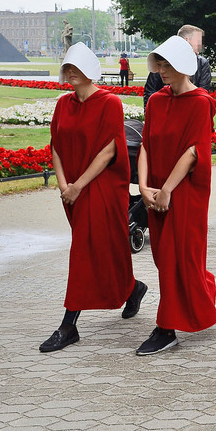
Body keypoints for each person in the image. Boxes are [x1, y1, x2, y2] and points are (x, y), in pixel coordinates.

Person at [40, 42, 147, 353]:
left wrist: (79, 185)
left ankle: (68, 325)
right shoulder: (63, 104)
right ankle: (132, 289)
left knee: (84, 251)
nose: (70, 72)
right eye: (66, 68)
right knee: (104, 248)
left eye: (75, 68)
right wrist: (64, 185)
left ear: (89, 71)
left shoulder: (109, 103)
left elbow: (110, 150)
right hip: (72, 189)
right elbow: (56, 146)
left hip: (101, 187)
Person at [136, 35, 216, 354]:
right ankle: (202, 293)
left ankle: (166, 328)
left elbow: (194, 152)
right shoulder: (156, 100)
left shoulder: (200, 103)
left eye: (168, 64)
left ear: (184, 66)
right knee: (165, 258)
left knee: (174, 257)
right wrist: (144, 187)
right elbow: (145, 144)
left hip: (184, 194)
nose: (161, 70)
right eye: (160, 63)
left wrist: (167, 189)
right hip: (156, 192)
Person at [143, 24, 212, 107]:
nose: (162, 70)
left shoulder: (202, 63)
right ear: (186, 40)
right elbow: (150, 90)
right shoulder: (163, 59)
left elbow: (203, 90)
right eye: (198, 41)